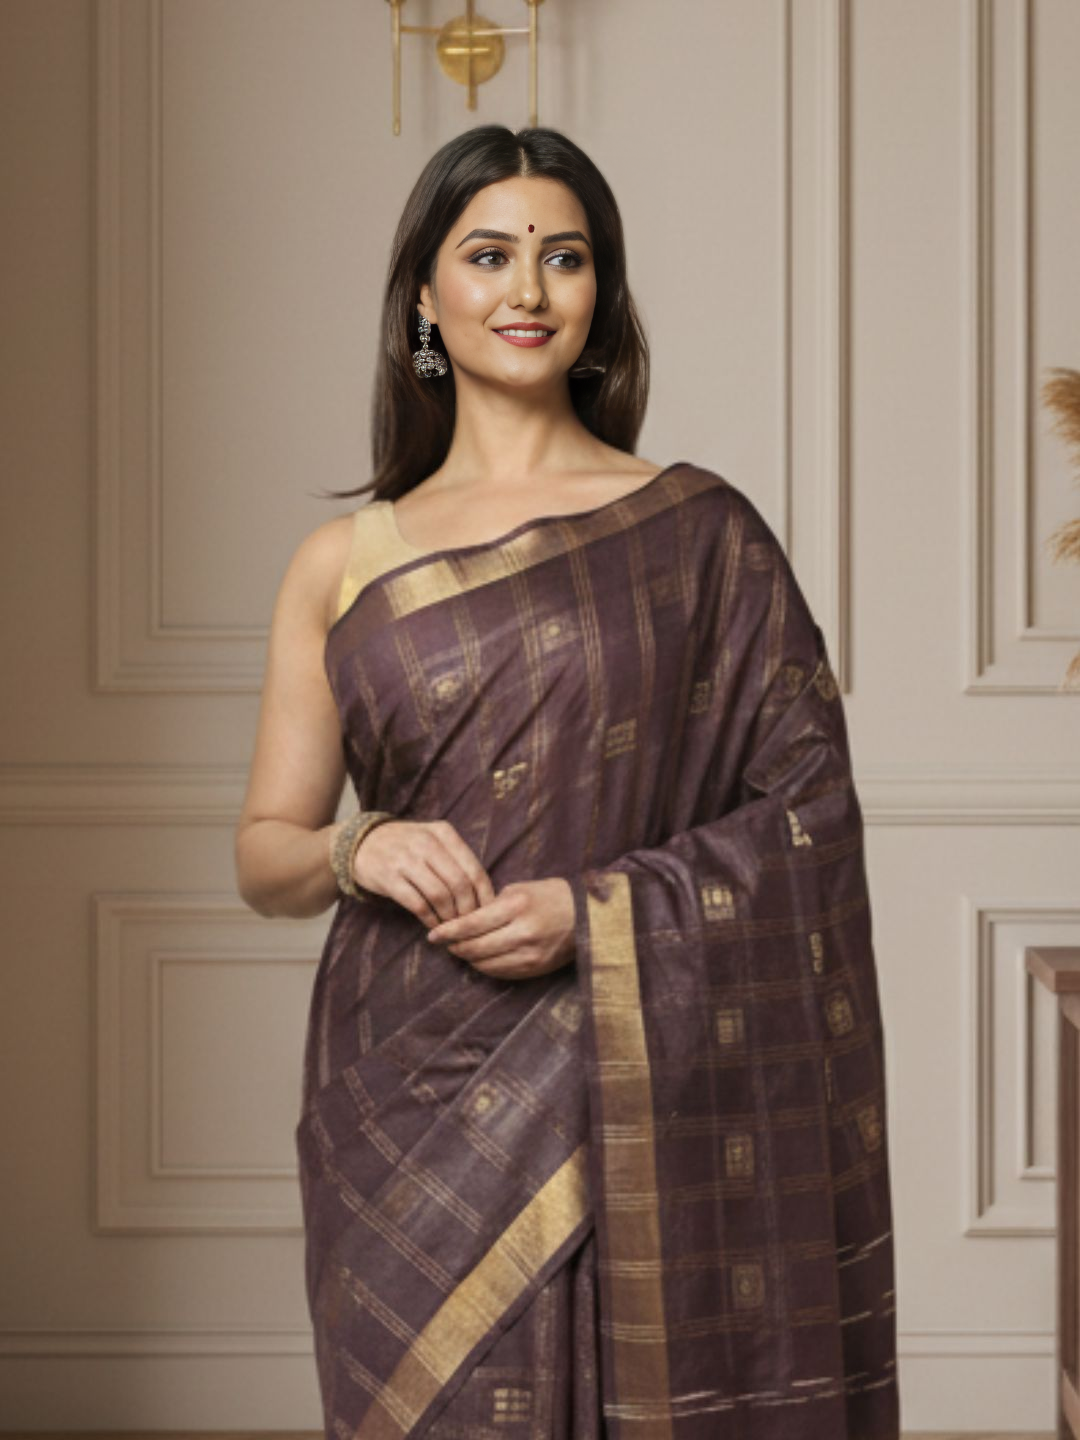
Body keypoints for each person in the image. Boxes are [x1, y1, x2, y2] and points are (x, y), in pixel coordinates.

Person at [235, 123, 900, 1440]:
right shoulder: (343, 562)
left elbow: (808, 818)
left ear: (601, 295)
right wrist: (359, 848)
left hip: (633, 1065)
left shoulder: (700, 533)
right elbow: (266, 854)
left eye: (566, 257)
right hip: (404, 1093)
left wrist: (594, 917)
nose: (529, 289)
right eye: (489, 255)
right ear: (425, 299)